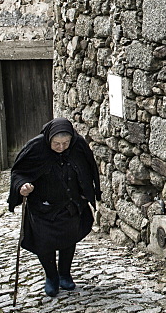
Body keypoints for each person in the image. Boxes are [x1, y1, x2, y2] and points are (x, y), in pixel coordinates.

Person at [8, 118, 101, 297]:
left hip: (70, 204)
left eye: (65, 143)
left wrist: (86, 191)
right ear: (49, 139)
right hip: (42, 207)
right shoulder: (35, 148)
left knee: (68, 239)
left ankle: (65, 273)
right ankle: (52, 277)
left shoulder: (77, 145)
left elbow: (88, 167)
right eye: (56, 144)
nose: (61, 148)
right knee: (44, 243)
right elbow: (19, 172)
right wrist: (23, 186)